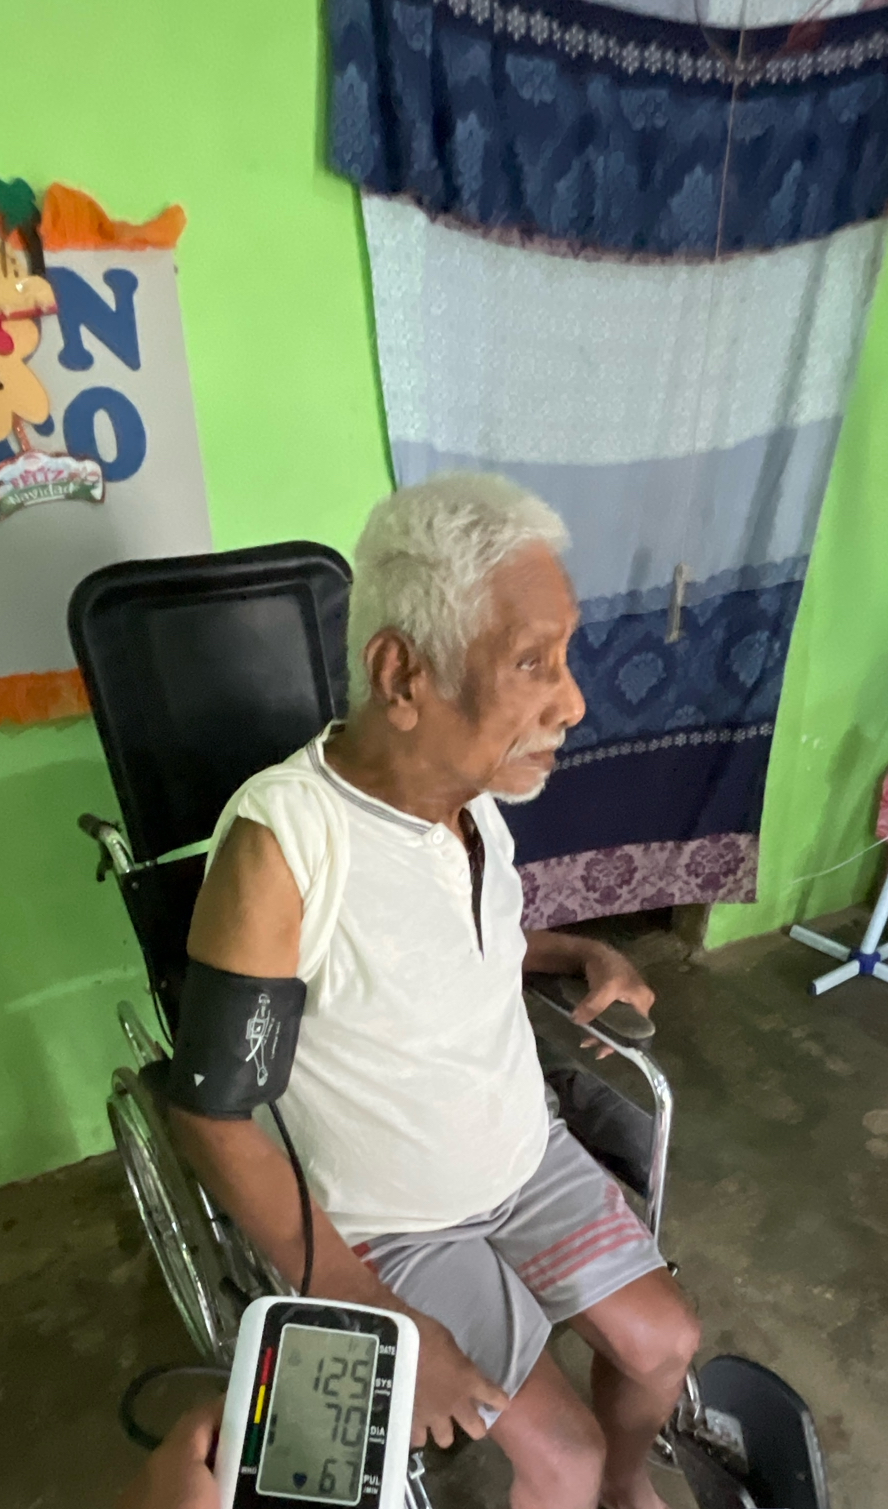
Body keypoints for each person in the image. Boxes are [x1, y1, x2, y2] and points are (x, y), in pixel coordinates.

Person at [167, 474, 700, 1509]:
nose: (573, 702)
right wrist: (376, 1308)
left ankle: (627, 1488)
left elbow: (446, 943)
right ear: (401, 675)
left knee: (665, 1345)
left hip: (522, 1155)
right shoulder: (288, 846)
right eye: (532, 662)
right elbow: (212, 1116)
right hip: (392, 1223)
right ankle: (592, 1481)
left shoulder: (471, 803)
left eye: (566, 656)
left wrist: (575, 951)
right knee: (562, 1457)